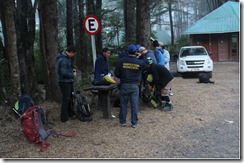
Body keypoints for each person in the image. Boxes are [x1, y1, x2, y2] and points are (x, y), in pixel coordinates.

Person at [114, 44, 146, 128]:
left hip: (124, 85)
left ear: (127, 51)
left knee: (123, 104)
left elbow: (116, 73)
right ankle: (134, 123)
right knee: (134, 104)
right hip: (134, 85)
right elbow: (145, 64)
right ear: (136, 52)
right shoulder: (139, 62)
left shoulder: (121, 61)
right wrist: (141, 56)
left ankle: (122, 121)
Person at [56, 45, 77, 123]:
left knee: (70, 98)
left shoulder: (66, 59)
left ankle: (70, 114)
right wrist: (72, 74)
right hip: (64, 82)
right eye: (73, 54)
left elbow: (67, 69)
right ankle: (64, 118)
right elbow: (64, 72)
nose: (73, 56)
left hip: (68, 81)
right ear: (71, 52)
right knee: (66, 99)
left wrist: (72, 69)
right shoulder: (63, 60)